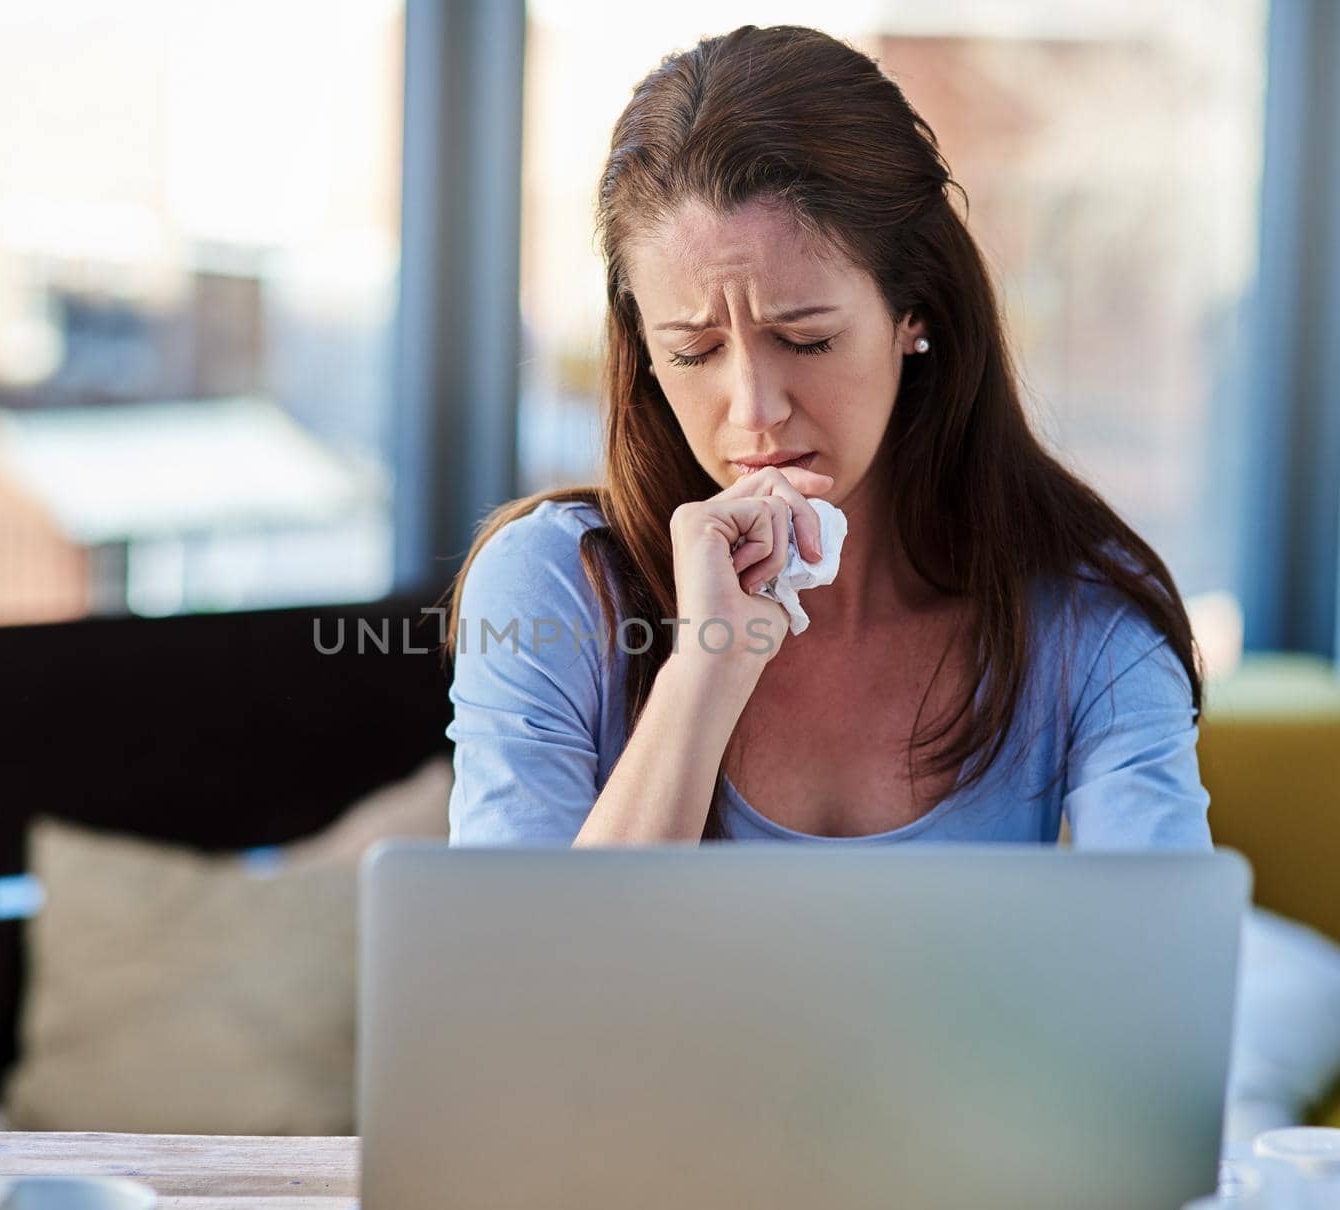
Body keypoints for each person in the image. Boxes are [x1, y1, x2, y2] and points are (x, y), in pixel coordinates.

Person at [442, 24, 1210, 850]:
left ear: (912, 313)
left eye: (805, 339)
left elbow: (1164, 960)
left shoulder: (1082, 610)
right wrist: (707, 670)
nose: (755, 408)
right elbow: (528, 971)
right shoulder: (554, 585)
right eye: (693, 351)